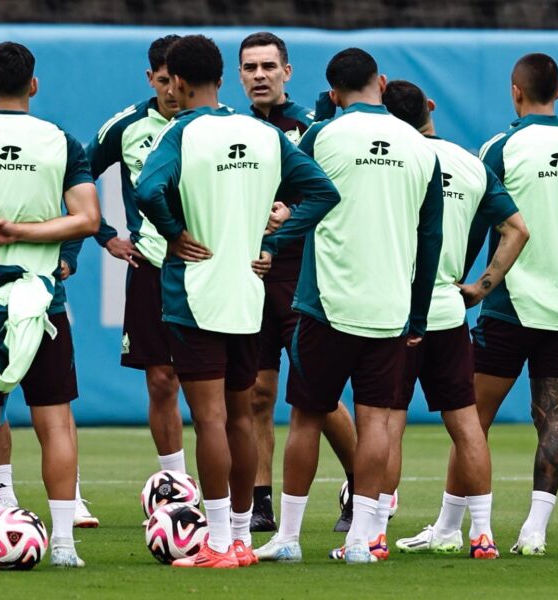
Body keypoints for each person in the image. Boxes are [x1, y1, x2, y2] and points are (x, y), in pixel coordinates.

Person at [135, 34, 341, 568]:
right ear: (223, 78)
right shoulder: (263, 133)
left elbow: (145, 192)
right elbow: (322, 192)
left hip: (198, 293)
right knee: (242, 419)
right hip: (250, 294)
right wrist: (275, 242)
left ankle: (220, 541)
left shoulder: (179, 133)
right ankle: (244, 539)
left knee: (208, 420)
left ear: (176, 84)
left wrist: (175, 234)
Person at [254, 47, 442, 565]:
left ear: (333, 94)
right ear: (382, 82)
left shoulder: (321, 134)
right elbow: (432, 241)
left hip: (326, 302)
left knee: (307, 418)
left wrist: (277, 227)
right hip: (389, 307)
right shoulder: (422, 146)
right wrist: (418, 315)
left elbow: (286, 198)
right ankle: (360, 540)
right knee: (377, 422)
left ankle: (288, 537)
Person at [469, 53, 558, 556]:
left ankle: (460, 527)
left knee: (471, 417)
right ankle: (535, 530)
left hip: (507, 304)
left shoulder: (501, 148)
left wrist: (468, 282)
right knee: (552, 418)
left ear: (515, 91)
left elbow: (476, 220)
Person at [382, 80, 529, 559]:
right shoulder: (470, 164)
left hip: (396, 310)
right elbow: (517, 229)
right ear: (430, 107)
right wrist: (480, 287)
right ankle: (483, 535)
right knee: (467, 424)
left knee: (388, 423)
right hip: (448, 307)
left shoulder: (390, 162)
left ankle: (373, 534)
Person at [0, 41, 101, 567]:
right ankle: (65, 546)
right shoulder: (61, 142)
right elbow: (88, 220)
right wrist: (23, 232)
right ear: (33, 86)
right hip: (44, 306)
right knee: (55, 424)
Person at [237, 30, 357, 534]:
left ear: (287, 72)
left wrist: (289, 216)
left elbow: (336, 195)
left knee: (316, 392)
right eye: (250, 68)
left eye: (268, 66)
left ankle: (366, 486)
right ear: (239, 76)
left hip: (301, 273)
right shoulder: (230, 129)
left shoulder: (314, 127)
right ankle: (260, 500)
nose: (259, 75)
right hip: (247, 271)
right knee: (256, 392)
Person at [85, 35, 190, 483]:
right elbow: (77, 174)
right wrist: (105, 235)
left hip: (211, 269)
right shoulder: (126, 126)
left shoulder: (215, 127)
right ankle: (178, 484)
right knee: (162, 381)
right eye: (163, 80)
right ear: (151, 78)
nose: (171, 91)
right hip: (151, 267)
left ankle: (236, 499)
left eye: (179, 81)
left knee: (224, 386)